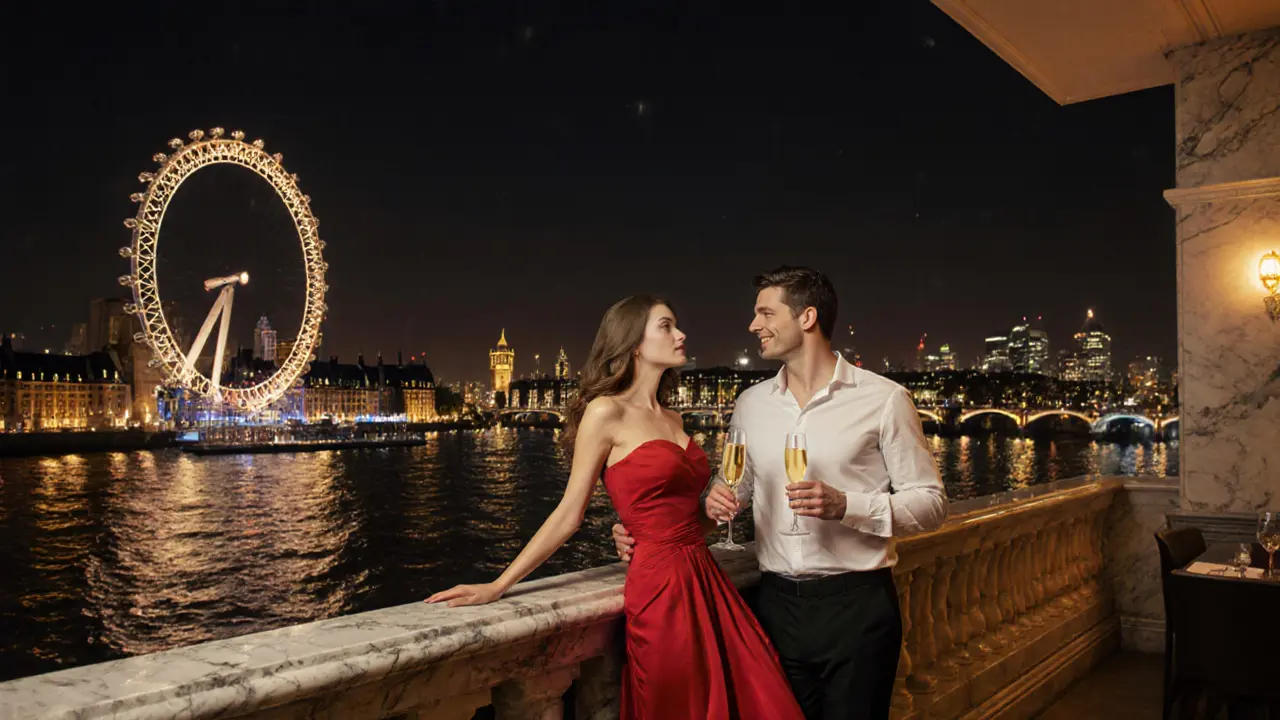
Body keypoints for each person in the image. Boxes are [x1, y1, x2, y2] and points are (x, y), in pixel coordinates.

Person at [427, 295, 804, 720]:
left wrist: (713, 511)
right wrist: (498, 585)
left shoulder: (674, 419)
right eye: (666, 326)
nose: (681, 335)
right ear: (634, 344)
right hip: (659, 591)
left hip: (705, 579)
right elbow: (570, 514)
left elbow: (689, 524)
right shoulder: (605, 412)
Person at [613, 267, 948, 720]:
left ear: (807, 317)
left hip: (857, 610)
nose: (754, 325)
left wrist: (846, 505)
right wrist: (651, 526)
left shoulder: (884, 399)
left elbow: (930, 504)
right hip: (773, 609)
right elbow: (732, 492)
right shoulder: (752, 404)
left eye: (765, 313)